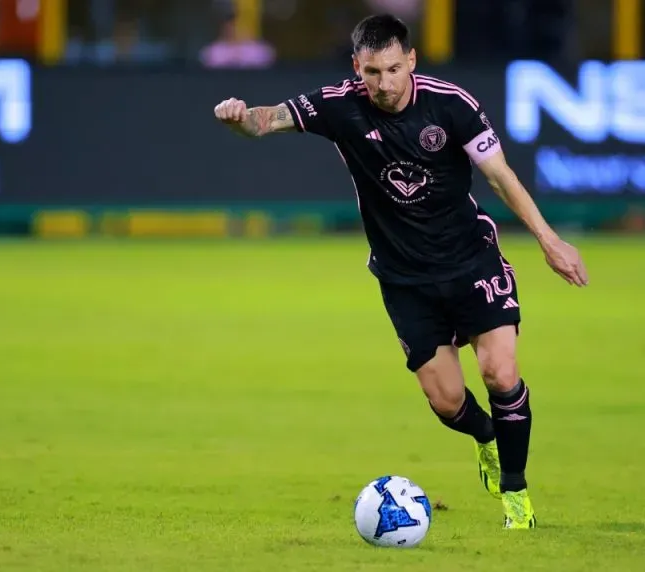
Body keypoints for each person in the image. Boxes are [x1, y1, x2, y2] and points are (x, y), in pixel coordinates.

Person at [212, 14, 588, 530]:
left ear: (411, 60)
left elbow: (499, 176)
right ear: (356, 67)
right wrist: (239, 118)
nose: (384, 84)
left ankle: (516, 496)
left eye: (393, 69)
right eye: (372, 72)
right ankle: (486, 439)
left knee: (500, 372)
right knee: (447, 402)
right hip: (404, 278)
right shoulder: (340, 105)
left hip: (470, 259)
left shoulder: (451, 104)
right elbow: (266, 120)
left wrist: (549, 241)